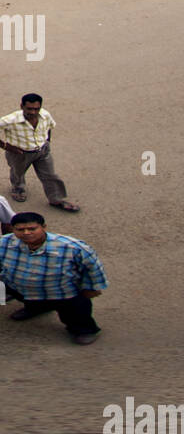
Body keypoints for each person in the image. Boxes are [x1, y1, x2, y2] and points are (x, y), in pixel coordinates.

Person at [0, 211, 103, 344]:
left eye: (32, 229)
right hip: (20, 287)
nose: (26, 233)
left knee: (74, 314)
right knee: (30, 300)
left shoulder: (72, 247)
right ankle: (36, 309)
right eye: (20, 229)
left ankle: (84, 330)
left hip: (63, 292)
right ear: (13, 229)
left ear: (44, 227)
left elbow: (92, 268)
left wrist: (93, 287)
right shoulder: (3, 243)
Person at [0, 94, 78, 213]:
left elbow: (49, 127)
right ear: (22, 106)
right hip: (19, 153)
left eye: (36, 109)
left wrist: (47, 141)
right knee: (18, 173)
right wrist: (6, 146)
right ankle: (18, 188)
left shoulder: (45, 115)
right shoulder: (10, 120)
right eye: (29, 109)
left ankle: (56, 199)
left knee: (50, 175)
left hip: (42, 151)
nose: (33, 112)